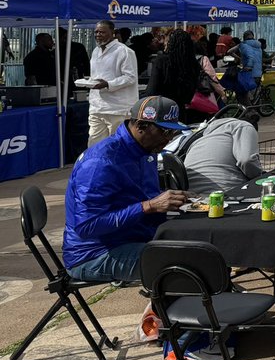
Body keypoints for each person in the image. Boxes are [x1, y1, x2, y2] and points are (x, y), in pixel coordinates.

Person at [63, 96, 190, 282]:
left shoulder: (145, 150)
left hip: (132, 237)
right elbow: (86, 226)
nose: (169, 138)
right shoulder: (100, 163)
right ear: (141, 126)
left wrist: (175, 200)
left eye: (173, 132)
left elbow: (145, 197)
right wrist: (149, 206)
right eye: (165, 131)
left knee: (202, 242)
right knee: (188, 263)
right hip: (93, 254)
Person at [176, 115, 264, 194]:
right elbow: (247, 160)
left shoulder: (201, 139)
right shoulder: (245, 126)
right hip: (224, 192)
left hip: (191, 195)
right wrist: (261, 177)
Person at [86, 20, 140, 146]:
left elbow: (130, 77)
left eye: (102, 32)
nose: (98, 35)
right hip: (97, 107)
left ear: (113, 33)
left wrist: (108, 84)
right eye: (96, 32)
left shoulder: (124, 51)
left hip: (118, 109)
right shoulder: (96, 51)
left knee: (117, 145)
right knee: (94, 145)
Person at [146, 30, 205, 124]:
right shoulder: (194, 65)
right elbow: (189, 96)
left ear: (170, 43)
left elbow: (151, 91)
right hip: (179, 111)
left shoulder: (161, 61)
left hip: (160, 110)